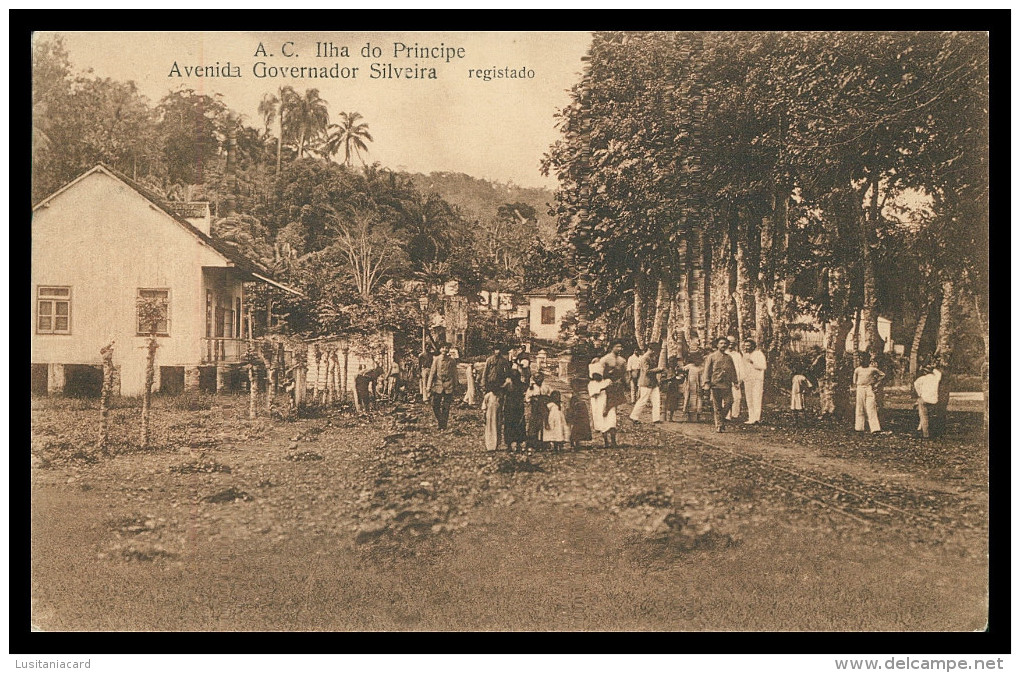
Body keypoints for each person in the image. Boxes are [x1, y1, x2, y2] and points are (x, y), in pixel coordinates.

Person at [703, 337, 739, 432]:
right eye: (721, 343)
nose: (723, 345)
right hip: (716, 384)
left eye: (725, 344)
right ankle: (719, 425)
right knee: (717, 405)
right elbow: (707, 370)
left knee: (729, 402)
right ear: (717, 345)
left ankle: (721, 420)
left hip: (727, 384)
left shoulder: (729, 357)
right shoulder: (712, 357)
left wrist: (735, 382)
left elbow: (733, 370)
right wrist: (706, 382)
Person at [425, 343, 458, 430]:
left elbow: (455, 374)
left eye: (446, 348)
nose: (444, 349)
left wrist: (456, 385)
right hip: (438, 385)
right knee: (435, 405)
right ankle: (441, 421)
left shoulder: (452, 361)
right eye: (443, 348)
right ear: (440, 349)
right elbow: (432, 373)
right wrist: (428, 386)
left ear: (448, 350)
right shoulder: (436, 359)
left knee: (446, 407)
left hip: (448, 385)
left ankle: (443, 426)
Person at [852, 351, 886, 433]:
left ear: (869, 360)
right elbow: (854, 381)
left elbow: (882, 375)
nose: (862, 361)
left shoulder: (872, 369)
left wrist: (875, 383)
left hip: (869, 388)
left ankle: (875, 428)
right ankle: (859, 427)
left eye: (865, 359)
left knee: (870, 407)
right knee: (860, 408)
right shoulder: (857, 370)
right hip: (860, 388)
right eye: (861, 359)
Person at [630, 342, 664, 424]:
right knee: (643, 400)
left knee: (656, 400)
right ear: (652, 350)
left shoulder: (651, 357)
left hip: (653, 382)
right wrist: (659, 369)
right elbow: (647, 371)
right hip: (645, 382)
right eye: (656, 350)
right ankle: (633, 416)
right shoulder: (645, 358)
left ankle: (656, 418)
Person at [502, 356, 529, 451]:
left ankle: (510, 445)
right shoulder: (520, 384)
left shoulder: (509, 384)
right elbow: (526, 385)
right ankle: (518, 444)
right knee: (519, 425)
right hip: (518, 406)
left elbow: (502, 390)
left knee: (509, 424)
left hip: (510, 406)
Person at [588, 367, 617, 448]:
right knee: (603, 425)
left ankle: (613, 441)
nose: (596, 377)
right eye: (594, 375)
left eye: (598, 375)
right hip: (599, 406)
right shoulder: (591, 384)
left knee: (612, 423)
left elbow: (613, 391)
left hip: (609, 405)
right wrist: (601, 389)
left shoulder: (607, 381)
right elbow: (593, 394)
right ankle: (606, 442)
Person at [598, 341, 629, 416]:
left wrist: (626, 383)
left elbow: (624, 373)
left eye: (621, 347)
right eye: (617, 347)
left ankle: (612, 420)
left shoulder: (622, 360)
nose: (620, 349)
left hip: (617, 383)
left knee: (615, 403)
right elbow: (599, 371)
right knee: (606, 402)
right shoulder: (605, 359)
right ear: (612, 348)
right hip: (606, 383)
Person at [742, 339, 767, 425]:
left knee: (756, 398)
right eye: (745, 346)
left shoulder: (758, 354)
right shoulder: (745, 355)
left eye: (748, 345)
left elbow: (763, 366)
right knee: (749, 399)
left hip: (757, 380)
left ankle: (757, 418)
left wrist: (753, 362)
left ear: (753, 346)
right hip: (748, 379)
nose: (746, 347)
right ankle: (751, 417)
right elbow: (743, 368)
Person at [525, 371, 553, 449]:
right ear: (534, 379)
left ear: (543, 378)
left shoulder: (546, 387)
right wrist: (533, 399)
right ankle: (533, 442)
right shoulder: (532, 388)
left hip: (544, 407)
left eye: (540, 377)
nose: (538, 379)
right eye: (536, 378)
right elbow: (527, 398)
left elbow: (552, 394)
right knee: (534, 424)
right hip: (535, 408)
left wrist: (547, 399)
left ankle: (544, 442)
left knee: (544, 423)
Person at [913, 364, 942, 439]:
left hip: (924, 399)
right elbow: (939, 373)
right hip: (934, 400)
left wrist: (919, 393)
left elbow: (915, 384)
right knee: (932, 417)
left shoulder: (922, 378)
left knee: (924, 417)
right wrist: (933, 367)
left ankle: (926, 435)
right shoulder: (937, 378)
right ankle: (932, 433)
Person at [661, 357, 688, 422]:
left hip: (674, 388)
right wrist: (670, 379)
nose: (672, 363)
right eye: (671, 362)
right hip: (668, 388)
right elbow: (662, 379)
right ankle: (665, 417)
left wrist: (679, 377)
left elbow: (681, 379)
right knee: (667, 402)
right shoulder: (666, 370)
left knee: (673, 402)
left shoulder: (677, 370)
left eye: (673, 362)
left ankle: (671, 417)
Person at [726, 337, 745, 421]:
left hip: (736, 379)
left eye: (732, 343)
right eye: (729, 342)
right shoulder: (724, 353)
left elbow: (741, 367)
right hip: (725, 379)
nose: (731, 344)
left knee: (737, 397)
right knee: (725, 398)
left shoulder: (737, 355)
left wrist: (740, 380)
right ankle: (727, 415)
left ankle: (735, 415)